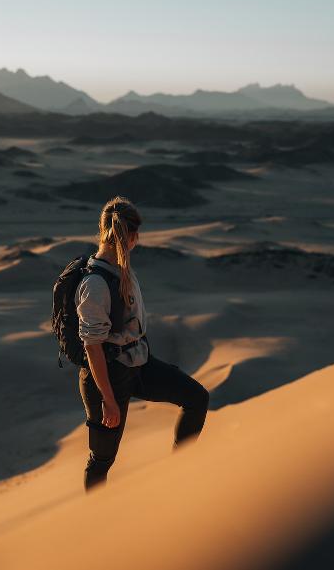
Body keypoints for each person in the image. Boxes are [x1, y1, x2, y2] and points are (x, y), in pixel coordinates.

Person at [75, 195, 210, 491]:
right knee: (102, 458)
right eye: (137, 234)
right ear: (131, 236)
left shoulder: (121, 270)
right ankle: (89, 522)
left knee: (197, 398)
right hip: (108, 376)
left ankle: (180, 474)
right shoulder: (96, 284)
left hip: (138, 363)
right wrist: (109, 400)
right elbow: (92, 347)